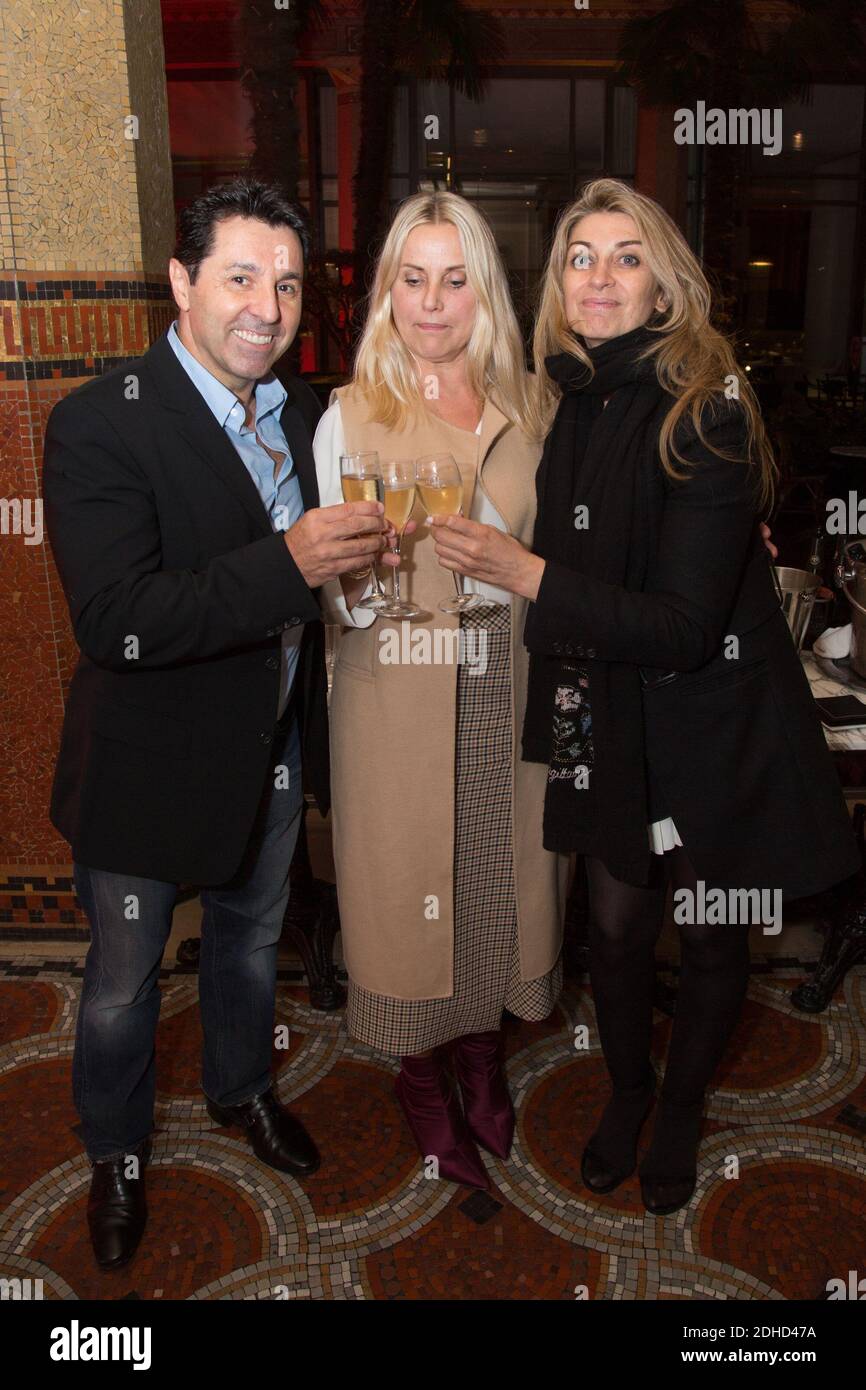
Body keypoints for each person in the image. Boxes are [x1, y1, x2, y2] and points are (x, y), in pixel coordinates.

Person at [429, 177, 860, 1215]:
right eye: (580, 256)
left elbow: (678, 622)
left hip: (707, 720)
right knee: (615, 929)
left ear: (663, 287)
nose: (598, 276)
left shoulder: (702, 407)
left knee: (709, 931)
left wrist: (522, 573)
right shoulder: (565, 395)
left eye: (625, 257)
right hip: (605, 714)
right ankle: (625, 1087)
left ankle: (677, 1107)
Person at [43, 178, 388, 1268]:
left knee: (246, 947)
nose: (266, 305)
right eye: (240, 276)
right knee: (121, 982)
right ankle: (117, 1154)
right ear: (183, 282)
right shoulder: (101, 420)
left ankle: (242, 1091)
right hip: (148, 761)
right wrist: (283, 566)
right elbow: (115, 618)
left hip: (270, 746)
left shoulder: (303, 412)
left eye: (285, 284)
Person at [314, 192, 570, 1189]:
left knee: (496, 880)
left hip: (508, 685)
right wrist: (359, 584)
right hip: (396, 701)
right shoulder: (349, 413)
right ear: (387, 292)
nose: (431, 302)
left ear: (483, 291)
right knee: (407, 892)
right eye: (410, 279)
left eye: (453, 278)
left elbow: (572, 555)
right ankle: (422, 1078)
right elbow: (333, 602)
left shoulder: (537, 409)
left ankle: (479, 1057)